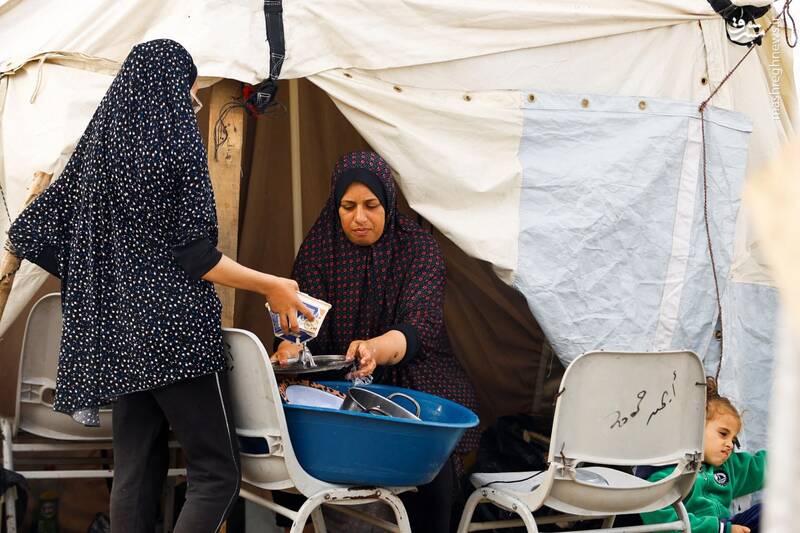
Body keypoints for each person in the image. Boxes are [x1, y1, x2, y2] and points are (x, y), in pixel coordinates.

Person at [7, 39, 311, 533]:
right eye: (191, 90)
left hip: (120, 338)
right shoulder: (177, 140)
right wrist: (272, 285)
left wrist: (105, 278)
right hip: (176, 332)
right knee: (216, 475)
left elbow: (28, 233)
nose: (195, 102)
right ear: (170, 87)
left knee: (134, 475)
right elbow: (196, 256)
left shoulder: (98, 148)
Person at [271, 150, 481, 532]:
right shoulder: (319, 249)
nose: (359, 218)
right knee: (290, 437)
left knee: (427, 462)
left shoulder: (417, 249)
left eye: (371, 206)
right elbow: (300, 327)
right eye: (348, 207)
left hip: (412, 378)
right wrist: (289, 349)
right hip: (337, 384)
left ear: (388, 202)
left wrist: (375, 349)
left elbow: (418, 327)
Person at [639, 378, 766, 533]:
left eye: (733, 440)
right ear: (695, 427)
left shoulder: (728, 466)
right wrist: (719, 529)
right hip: (693, 529)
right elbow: (661, 520)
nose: (730, 445)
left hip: (726, 525)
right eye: (723, 434)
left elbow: (761, 468)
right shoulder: (667, 471)